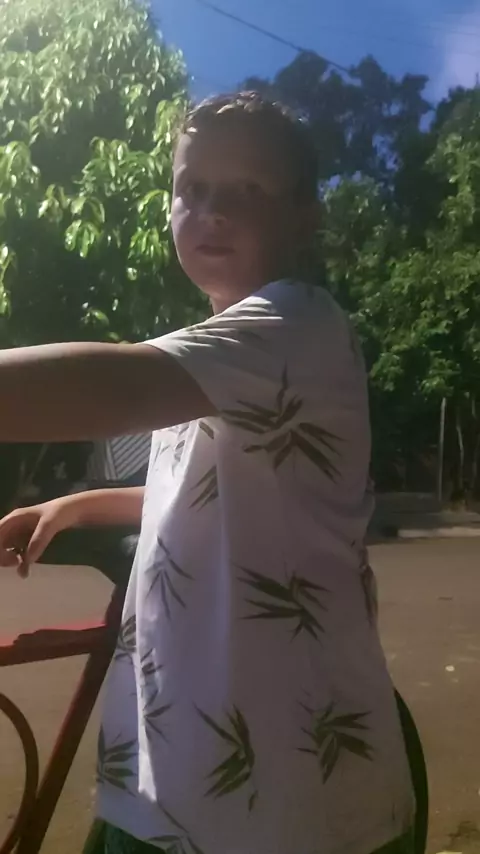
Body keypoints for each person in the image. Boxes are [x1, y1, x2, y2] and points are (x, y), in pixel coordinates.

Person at [0, 92, 414, 854]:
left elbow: (116, 387)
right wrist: (76, 507)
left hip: (284, 798)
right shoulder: (212, 355)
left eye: (247, 190)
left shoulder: (297, 325)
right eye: (192, 188)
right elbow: (194, 487)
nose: (213, 211)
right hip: (179, 771)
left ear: (305, 217)